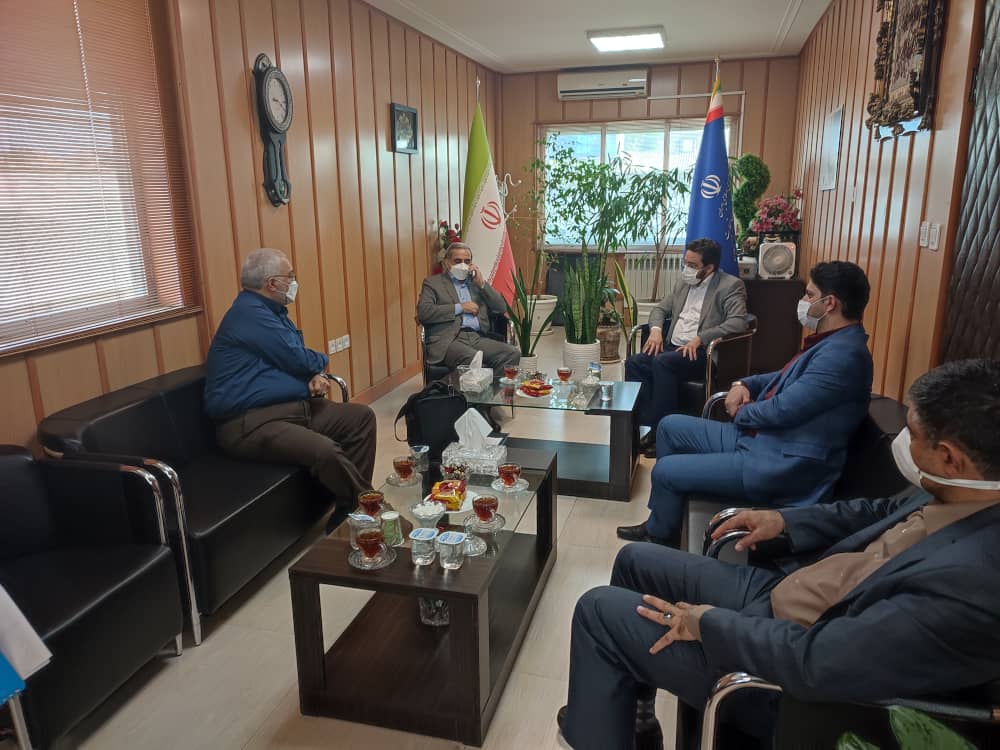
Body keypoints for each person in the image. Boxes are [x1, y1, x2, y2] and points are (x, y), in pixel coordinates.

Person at [560, 359, 1000, 750]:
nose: (901, 441)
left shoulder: (969, 581)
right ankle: (630, 721)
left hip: (782, 679)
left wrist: (707, 622)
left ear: (950, 458)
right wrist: (784, 521)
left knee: (598, 611)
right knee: (635, 560)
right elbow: (875, 511)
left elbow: (818, 661)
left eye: (913, 434)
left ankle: (593, 726)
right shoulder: (958, 495)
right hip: (786, 595)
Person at [618, 260, 874, 547]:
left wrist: (740, 412)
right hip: (763, 440)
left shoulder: (843, 357)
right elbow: (780, 377)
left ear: (830, 304)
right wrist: (743, 384)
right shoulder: (832, 342)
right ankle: (666, 520)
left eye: (810, 295)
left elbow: (782, 410)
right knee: (669, 426)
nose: (803, 300)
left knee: (665, 471)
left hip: (779, 463)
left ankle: (661, 538)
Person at [204, 248, 376, 513]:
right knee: (325, 451)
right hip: (250, 423)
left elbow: (291, 361)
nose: (294, 282)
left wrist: (314, 375)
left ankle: (348, 511)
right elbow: (301, 358)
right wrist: (317, 365)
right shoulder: (250, 314)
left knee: (361, 418)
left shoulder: (272, 311)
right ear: (272, 283)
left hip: (290, 410)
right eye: (291, 276)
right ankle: (369, 509)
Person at [625, 238, 747, 455]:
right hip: (672, 347)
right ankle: (641, 428)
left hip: (700, 353)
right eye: (685, 263)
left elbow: (739, 322)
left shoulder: (730, 286)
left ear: (709, 268)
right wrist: (656, 330)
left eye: (692, 265)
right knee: (635, 362)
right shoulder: (683, 282)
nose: (687, 269)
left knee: (662, 362)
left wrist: (701, 337)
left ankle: (661, 433)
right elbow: (660, 310)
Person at [416, 242, 520, 371]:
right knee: (472, 358)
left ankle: (492, 384)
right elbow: (424, 312)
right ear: (447, 263)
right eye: (457, 261)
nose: (462, 265)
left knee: (512, 353)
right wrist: (460, 307)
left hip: (476, 337)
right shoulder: (433, 283)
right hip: (449, 339)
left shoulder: (476, 283)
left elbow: (501, 308)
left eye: (467, 261)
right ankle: (460, 384)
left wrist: (482, 284)